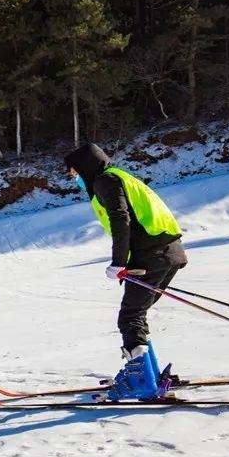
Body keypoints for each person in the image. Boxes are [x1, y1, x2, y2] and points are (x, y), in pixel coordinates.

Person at [65, 143, 188, 400]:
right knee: (137, 314)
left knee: (130, 316)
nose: (73, 178)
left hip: (151, 255)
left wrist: (118, 262)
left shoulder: (105, 181)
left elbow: (121, 220)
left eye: (74, 172)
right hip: (168, 251)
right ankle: (150, 375)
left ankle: (141, 381)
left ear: (85, 167)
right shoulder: (120, 176)